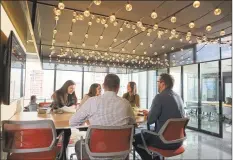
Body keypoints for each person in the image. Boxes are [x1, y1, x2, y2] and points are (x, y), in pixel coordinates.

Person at [70, 74, 136, 160]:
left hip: (96, 152)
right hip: (120, 153)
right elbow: (133, 123)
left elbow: (72, 122)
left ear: (103, 86)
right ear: (118, 87)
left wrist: (87, 119)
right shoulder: (126, 104)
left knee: (79, 144)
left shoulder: (92, 101)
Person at [133, 73, 185, 160]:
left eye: (158, 82)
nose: (157, 84)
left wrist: (149, 114)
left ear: (162, 83)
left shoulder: (159, 97)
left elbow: (150, 120)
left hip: (164, 141)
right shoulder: (179, 97)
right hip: (178, 141)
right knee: (153, 132)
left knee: (135, 138)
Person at [51, 80, 77, 160]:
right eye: (71, 88)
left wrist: (70, 109)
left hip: (66, 118)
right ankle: (55, 154)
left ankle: (62, 155)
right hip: (56, 118)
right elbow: (62, 107)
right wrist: (73, 110)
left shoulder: (71, 94)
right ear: (66, 87)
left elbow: (74, 105)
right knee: (55, 135)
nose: (72, 90)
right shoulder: (58, 93)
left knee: (67, 132)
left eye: (73, 88)